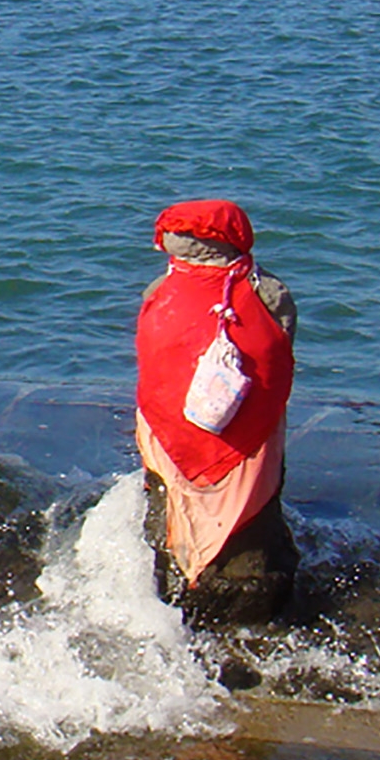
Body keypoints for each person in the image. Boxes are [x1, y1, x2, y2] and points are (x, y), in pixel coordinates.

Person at [135, 199, 298, 625]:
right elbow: (280, 360)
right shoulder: (268, 293)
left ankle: (173, 596)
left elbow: (153, 369)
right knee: (253, 525)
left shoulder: (157, 294)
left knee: (168, 512)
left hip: (171, 435)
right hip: (245, 439)